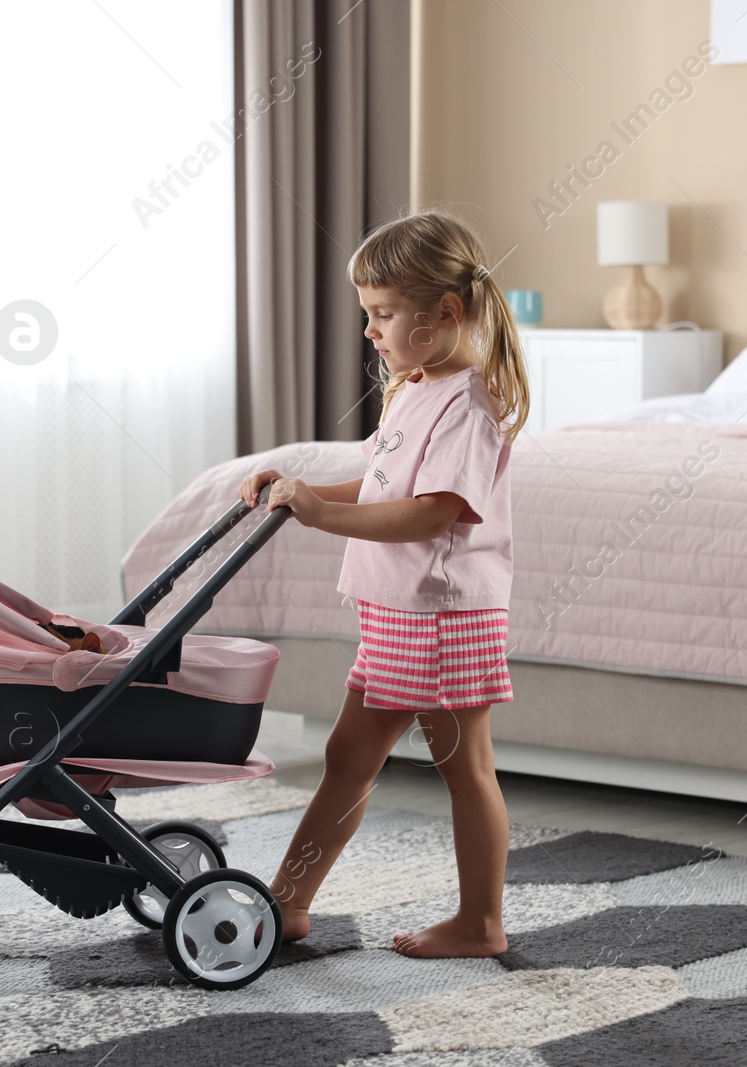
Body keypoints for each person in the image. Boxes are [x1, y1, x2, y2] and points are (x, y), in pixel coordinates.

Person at [238, 210, 529, 958]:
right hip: (399, 611)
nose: (370, 330)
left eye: (383, 313)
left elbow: (431, 513)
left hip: (441, 614)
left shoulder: (468, 404)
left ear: (446, 312)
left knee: (465, 766)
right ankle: (289, 901)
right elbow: (377, 481)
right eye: (367, 313)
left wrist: (317, 516)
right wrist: (301, 489)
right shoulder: (415, 386)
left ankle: (480, 922)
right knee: (348, 757)